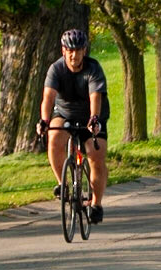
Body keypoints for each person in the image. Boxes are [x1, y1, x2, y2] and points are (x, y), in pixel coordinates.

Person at [38, 27, 109, 222]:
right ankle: (63, 184)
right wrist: (44, 121)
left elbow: (95, 96)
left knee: (96, 157)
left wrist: (94, 119)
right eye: (69, 50)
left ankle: (96, 204)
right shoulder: (56, 69)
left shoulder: (93, 69)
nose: (73, 55)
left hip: (92, 116)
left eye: (78, 50)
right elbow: (48, 97)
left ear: (84, 50)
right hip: (65, 113)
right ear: (63, 51)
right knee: (53, 137)